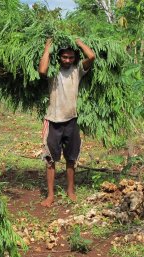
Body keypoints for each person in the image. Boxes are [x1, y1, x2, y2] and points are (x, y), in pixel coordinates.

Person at [38, 38, 95, 207]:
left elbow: (91, 57)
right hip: (53, 120)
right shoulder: (53, 71)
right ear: (59, 57)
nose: (67, 60)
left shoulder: (78, 70)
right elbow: (42, 70)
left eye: (70, 57)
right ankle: (50, 195)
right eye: (64, 57)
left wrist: (79, 43)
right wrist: (48, 46)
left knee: (71, 158)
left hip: (71, 119)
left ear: (74, 58)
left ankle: (71, 190)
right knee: (50, 160)